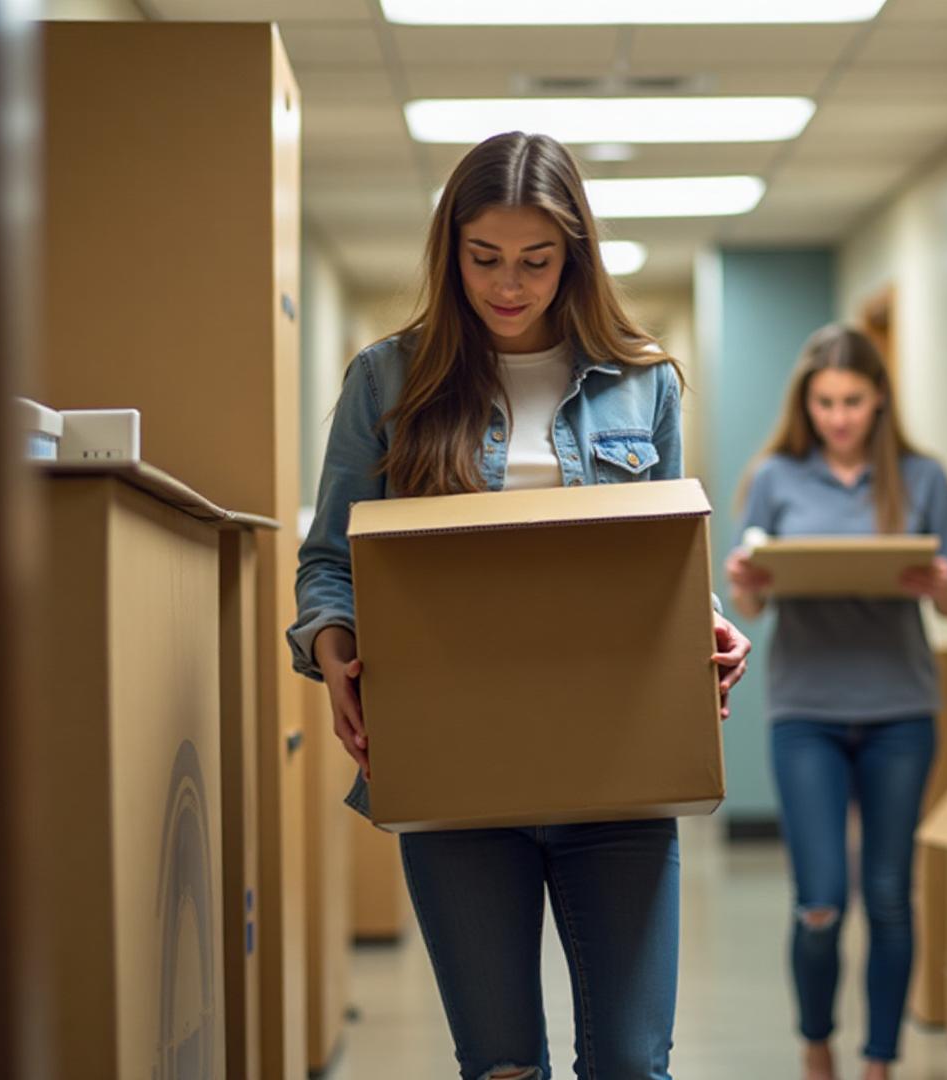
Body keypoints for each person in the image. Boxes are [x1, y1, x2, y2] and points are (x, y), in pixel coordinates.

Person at [287, 131, 751, 1080]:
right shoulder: (389, 379)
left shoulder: (643, 381)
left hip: (618, 762)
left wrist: (705, 620)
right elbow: (331, 561)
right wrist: (333, 650)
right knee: (500, 1065)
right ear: (449, 251)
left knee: (630, 1063)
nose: (509, 285)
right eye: (484, 259)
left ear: (573, 255)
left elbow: (660, 558)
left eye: (537, 262)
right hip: (455, 773)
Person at [724, 323, 947, 1080]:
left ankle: (878, 1062)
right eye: (826, 401)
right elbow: (751, 608)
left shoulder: (921, 478)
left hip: (900, 706)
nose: (838, 416)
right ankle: (816, 1041)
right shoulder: (774, 477)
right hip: (807, 710)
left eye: (853, 401)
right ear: (807, 402)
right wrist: (749, 584)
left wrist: (941, 585)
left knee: (890, 897)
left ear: (879, 402)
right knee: (822, 899)